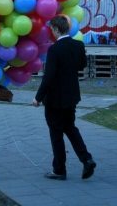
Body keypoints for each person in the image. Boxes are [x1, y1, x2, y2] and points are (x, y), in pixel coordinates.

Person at [33, 15, 96, 180]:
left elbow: (49, 76)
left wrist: (38, 97)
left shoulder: (54, 49)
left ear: (55, 29)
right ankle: (86, 159)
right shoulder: (78, 45)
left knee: (56, 134)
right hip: (71, 96)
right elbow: (81, 65)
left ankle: (59, 169)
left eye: (52, 29)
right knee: (70, 128)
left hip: (55, 99)